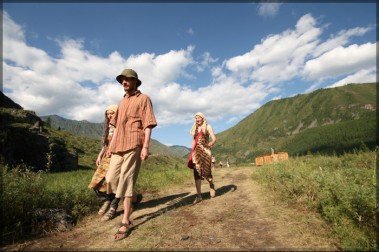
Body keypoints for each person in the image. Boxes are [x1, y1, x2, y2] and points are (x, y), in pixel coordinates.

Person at [104, 68, 157, 241]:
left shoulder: (144, 99)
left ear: (135, 81)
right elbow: (116, 126)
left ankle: (126, 221)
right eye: (122, 80)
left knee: (126, 181)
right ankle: (134, 197)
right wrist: (110, 146)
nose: (124, 82)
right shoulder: (121, 102)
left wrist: (145, 146)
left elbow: (148, 124)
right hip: (118, 144)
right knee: (111, 179)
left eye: (127, 79)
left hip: (135, 142)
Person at [88, 104, 118, 215]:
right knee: (96, 180)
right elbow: (105, 145)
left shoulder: (120, 126)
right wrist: (100, 155)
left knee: (112, 180)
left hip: (116, 156)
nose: (110, 116)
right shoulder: (108, 127)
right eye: (108, 114)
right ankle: (107, 199)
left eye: (112, 113)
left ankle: (111, 204)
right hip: (107, 156)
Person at [190, 112, 217, 204]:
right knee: (197, 173)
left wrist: (210, 144)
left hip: (205, 152)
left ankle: (211, 185)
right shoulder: (194, 129)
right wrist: (192, 152)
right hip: (196, 153)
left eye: (199, 118)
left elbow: (214, 138)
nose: (197, 119)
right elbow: (193, 142)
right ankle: (199, 196)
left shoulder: (208, 126)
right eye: (196, 118)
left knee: (206, 172)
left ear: (202, 118)